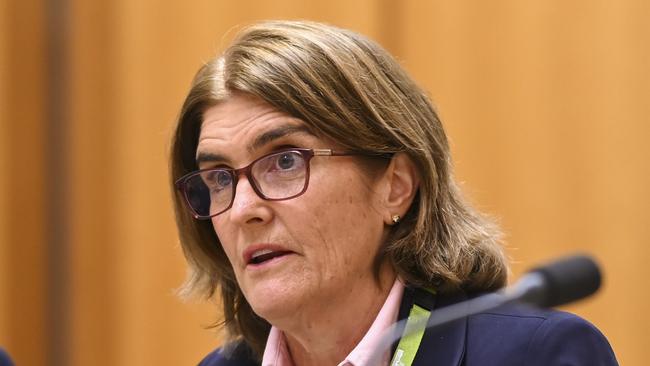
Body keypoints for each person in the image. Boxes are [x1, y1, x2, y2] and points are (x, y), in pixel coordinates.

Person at [170, 20, 617, 366]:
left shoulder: (534, 355)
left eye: (286, 161)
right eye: (220, 179)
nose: (243, 210)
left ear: (395, 186)